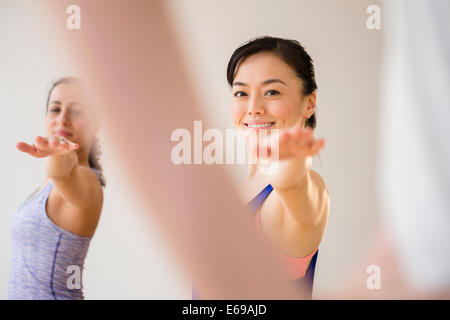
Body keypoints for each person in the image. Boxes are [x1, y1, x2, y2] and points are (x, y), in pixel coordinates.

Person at [225, 36, 330, 299]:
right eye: (241, 93)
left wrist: (291, 164)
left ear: (309, 103)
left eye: (272, 92)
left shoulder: (302, 188)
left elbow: (297, 188)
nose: (253, 108)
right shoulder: (237, 194)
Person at [9, 77, 105, 299]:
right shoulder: (48, 185)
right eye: (55, 109)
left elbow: (62, 170)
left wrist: (60, 154)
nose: (63, 119)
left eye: (77, 111)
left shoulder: (88, 182)